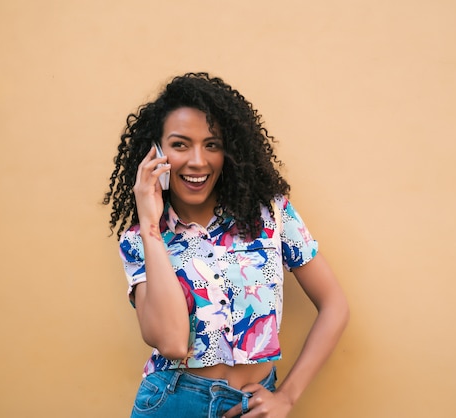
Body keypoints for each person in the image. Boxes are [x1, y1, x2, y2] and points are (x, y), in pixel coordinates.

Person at [103, 72, 349, 418]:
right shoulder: (140, 239)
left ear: (228, 151)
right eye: (179, 144)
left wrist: (287, 396)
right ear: (155, 153)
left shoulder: (271, 215)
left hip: (252, 406)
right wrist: (150, 224)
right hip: (173, 402)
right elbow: (172, 343)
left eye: (212, 144)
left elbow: (334, 304)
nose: (198, 161)